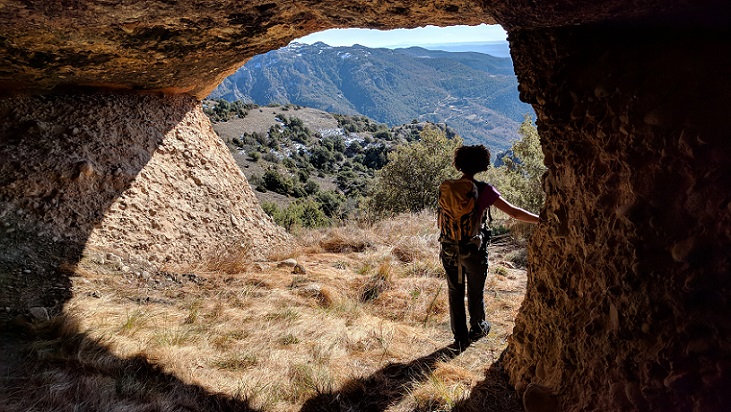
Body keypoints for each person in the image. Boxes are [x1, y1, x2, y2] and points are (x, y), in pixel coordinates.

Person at [439, 145, 539, 351]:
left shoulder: (448, 188)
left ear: (458, 164)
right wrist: (542, 219)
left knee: (454, 291)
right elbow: (514, 213)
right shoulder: (484, 190)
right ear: (483, 165)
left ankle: (459, 337)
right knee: (475, 290)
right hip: (473, 249)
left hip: (449, 247)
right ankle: (478, 327)